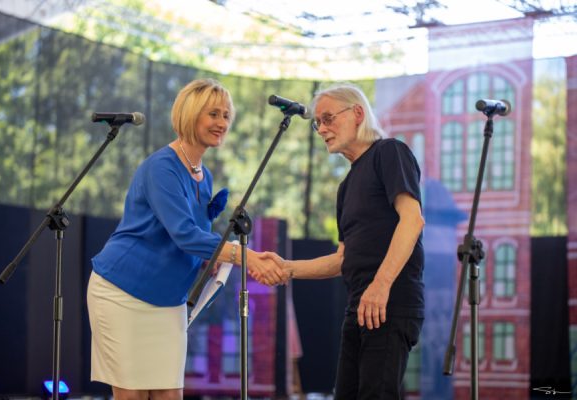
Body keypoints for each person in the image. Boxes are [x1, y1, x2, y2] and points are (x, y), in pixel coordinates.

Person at [86, 78, 288, 400]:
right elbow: (184, 235)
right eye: (213, 114)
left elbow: (194, 239)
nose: (222, 123)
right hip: (122, 293)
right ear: (190, 114)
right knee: (132, 396)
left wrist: (210, 256)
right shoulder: (162, 167)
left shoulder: (203, 175)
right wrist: (246, 257)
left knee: (170, 394)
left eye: (226, 115)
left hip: (168, 301)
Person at [264, 83, 425, 399]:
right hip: (360, 305)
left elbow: (412, 220)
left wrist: (380, 286)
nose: (322, 129)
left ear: (358, 114)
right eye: (317, 123)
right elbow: (342, 259)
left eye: (328, 118)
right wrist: (286, 267)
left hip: (390, 301)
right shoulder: (346, 186)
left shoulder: (389, 152)